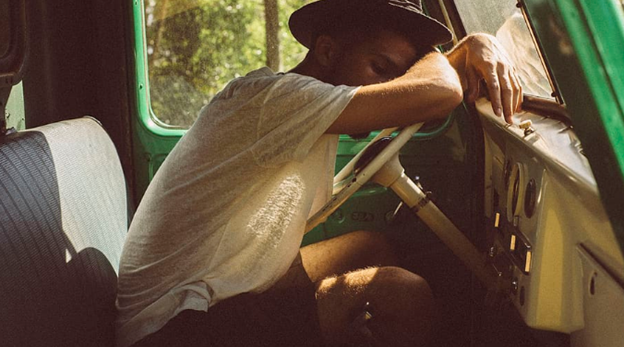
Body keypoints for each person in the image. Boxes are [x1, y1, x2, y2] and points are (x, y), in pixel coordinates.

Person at [115, 0, 522, 346]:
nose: (390, 87)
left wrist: (467, 49)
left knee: (368, 247)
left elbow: (419, 93)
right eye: (380, 68)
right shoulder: (274, 100)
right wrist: (466, 45)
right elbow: (439, 92)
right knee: (402, 294)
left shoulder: (315, 103)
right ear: (327, 51)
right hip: (173, 326)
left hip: (225, 285)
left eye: (397, 76)